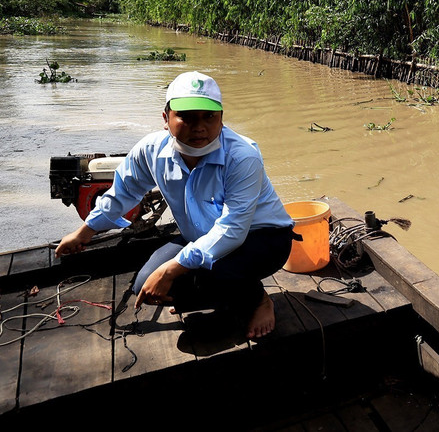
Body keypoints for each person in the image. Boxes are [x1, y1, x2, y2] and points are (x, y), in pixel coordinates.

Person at [55, 71, 294, 339]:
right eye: (186, 117)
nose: (199, 126)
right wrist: (83, 233)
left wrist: (172, 268)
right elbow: (123, 194)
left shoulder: (242, 157)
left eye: (209, 116)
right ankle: (218, 292)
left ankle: (258, 299)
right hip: (203, 235)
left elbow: (232, 229)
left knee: (191, 278)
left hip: (263, 238)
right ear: (165, 118)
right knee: (145, 285)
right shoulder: (152, 150)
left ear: (221, 118)